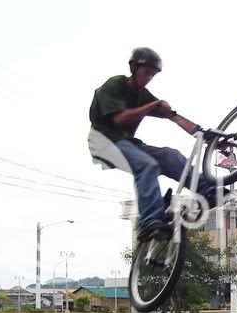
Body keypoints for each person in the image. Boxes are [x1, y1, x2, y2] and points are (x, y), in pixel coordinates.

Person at [88, 47, 225, 242]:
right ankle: (149, 221)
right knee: (146, 165)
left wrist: (201, 134)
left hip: (128, 143)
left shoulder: (143, 95)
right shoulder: (115, 85)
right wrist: (153, 106)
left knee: (170, 155)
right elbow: (119, 119)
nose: (148, 78)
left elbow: (173, 116)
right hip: (103, 143)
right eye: (146, 73)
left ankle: (206, 191)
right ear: (134, 68)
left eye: (152, 75)